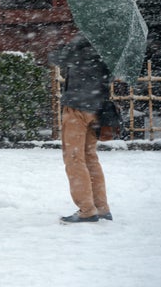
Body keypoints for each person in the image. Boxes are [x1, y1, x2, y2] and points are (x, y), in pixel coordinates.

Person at [48, 33, 114, 224]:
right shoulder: (109, 49)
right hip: (97, 108)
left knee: (74, 157)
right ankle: (101, 207)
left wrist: (71, 45)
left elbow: (55, 58)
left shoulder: (81, 44)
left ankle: (86, 209)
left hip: (76, 108)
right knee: (90, 156)